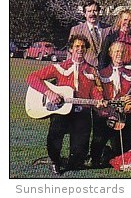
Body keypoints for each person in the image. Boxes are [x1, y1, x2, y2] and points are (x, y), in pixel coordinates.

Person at [27, 35, 104, 174]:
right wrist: (48, 93)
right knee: (55, 134)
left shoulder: (92, 70)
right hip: (61, 110)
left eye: (83, 47)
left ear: (86, 50)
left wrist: (99, 100)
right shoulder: (60, 67)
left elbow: (94, 90)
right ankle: (55, 160)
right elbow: (32, 77)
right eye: (77, 46)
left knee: (78, 155)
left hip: (82, 111)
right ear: (70, 49)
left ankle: (74, 160)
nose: (80, 49)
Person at [90, 41, 131, 168]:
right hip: (105, 117)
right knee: (95, 159)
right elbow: (95, 92)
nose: (120, 54)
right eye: (116, 51)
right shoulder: (101, 73)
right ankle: (103, 152)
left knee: (124, 156)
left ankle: (110, 153)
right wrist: (102, 103)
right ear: (110, 54)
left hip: (124, 117)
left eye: (122, 52)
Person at [99, 9, 131, 87]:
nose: (127, 23)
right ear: (120, 21)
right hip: (113, 77)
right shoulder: (110, 38)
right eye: (125, 20)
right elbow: (103, 60)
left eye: (130, 21)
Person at [68, 0, 111, 67]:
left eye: (95, 11)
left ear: (99, 12)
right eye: (89, 11)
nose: (92, 14)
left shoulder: (108, 29)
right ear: (85, 14)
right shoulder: (76, 30)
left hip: (105, 69)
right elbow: (70, 52)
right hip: (84, 69)